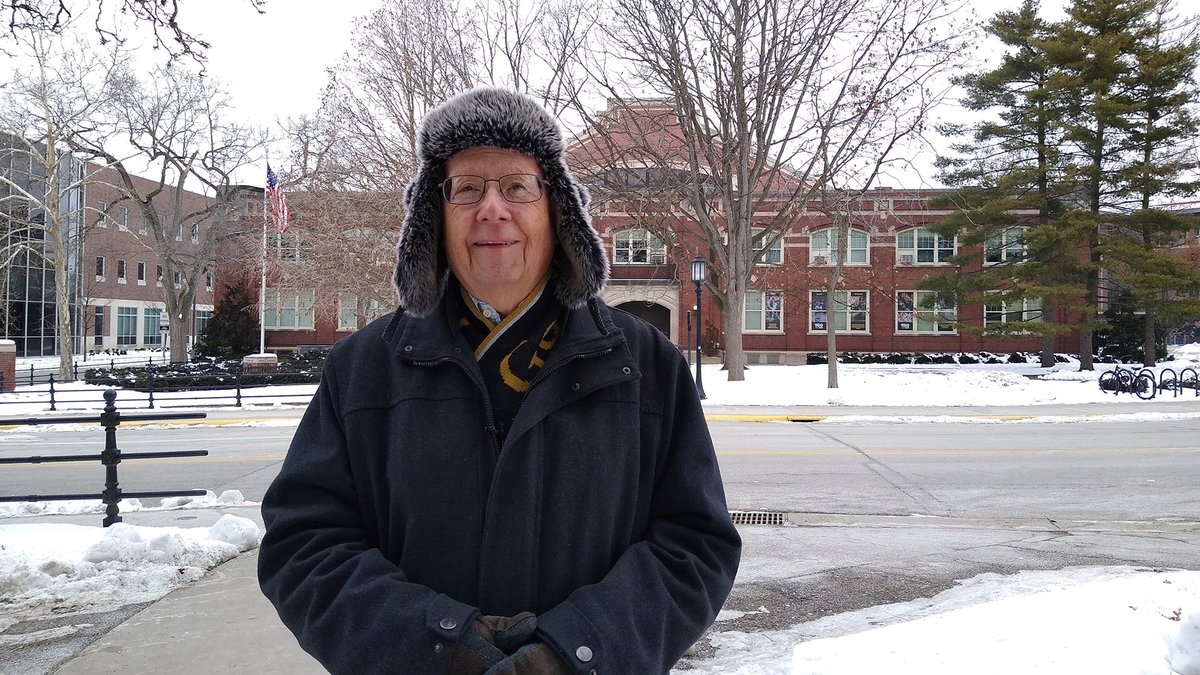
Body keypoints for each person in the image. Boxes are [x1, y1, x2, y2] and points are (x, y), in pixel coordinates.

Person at [258, 87, 742, 675]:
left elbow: (695, 546)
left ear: (557, 212)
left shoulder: (647, 367)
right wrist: (437, 649)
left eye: (517, 187)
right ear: (435, 219)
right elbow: (305, 546)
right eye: (467, 189)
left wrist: (577, 651)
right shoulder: (362, 370)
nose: (492, 208)